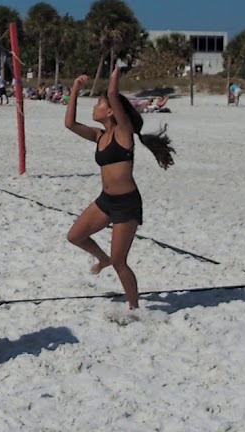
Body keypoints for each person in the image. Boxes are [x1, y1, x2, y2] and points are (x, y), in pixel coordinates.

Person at [63, 67, 175, 310]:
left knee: (120, 262)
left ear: (112, 111)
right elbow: (69, 123)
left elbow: (114, 94)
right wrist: (74, 89)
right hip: (106, 200)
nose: (95, 107)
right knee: (75, 236)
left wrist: (115, 72)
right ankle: (101, 258)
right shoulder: (99, 135)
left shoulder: (124, 133)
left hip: (126, 204)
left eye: (99, 103)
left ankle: (134, 307)